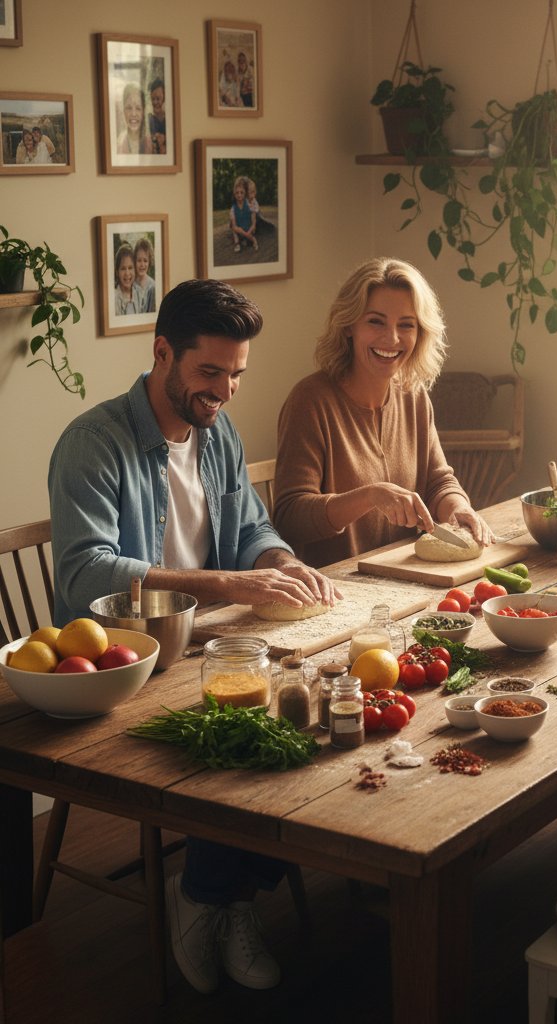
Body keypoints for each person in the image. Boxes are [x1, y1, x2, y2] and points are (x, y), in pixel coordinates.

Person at [49, 278, 340, 994]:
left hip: (211, 647)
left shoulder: (218, 434)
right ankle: (216, 897)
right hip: (123, 664)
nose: (225, 392)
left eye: (236, 374)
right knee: (243, 730)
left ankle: (218, 897)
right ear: (161, 353)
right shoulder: (95, 442)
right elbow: (85, 575)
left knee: (314, 721)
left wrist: (278, 560)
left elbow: (250, 531)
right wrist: (228, 584)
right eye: (209, 372)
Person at [273, 257, 493, 566]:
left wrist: (458, 509)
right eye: (375, 321)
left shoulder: (413, 395)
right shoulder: (310, 401)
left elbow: (439, 482)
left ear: (420, 335)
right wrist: (369, 496)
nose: (391, 339)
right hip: (336, 588)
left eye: (406, 325)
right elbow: (290, 517)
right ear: (349, 325)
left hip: (408, 580)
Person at [116, 82, 153, 155]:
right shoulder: (118, 144)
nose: (133, 114)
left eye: (138, 108)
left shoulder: (150, 144)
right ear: (123, 110)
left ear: (143, 112)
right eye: (129, 108)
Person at [228, 176, 257, 254]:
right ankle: (237, 243)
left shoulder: (249, 203)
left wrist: (250, 230)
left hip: (248, 228)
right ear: (234, 194)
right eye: (237, 193)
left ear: (245, 193)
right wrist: (245, 234)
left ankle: (247, 239)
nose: (239, 195)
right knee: (233, 226)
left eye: (242, 192)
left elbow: (254, 222)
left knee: (249, 240)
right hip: (239, 230)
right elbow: (234, 227)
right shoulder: (233, 209)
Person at [112, 243, 141, 316]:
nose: (127, 273)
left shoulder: (140, 293)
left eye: (130, 268)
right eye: (123, 269)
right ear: (117, 272)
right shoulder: (114, 298)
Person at [133, 236, 156, 313]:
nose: (142, 264)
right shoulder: (131, 285)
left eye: (145, 261)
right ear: (134, 261)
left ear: (149, 262)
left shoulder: (153, 286)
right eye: (139, 260)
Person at [147, 78, 166, 154]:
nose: (155, 102)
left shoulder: (169, 120)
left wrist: (164, 138)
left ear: (164, 98)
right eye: (153, 99)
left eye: (158, 99)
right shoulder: (148, 119)